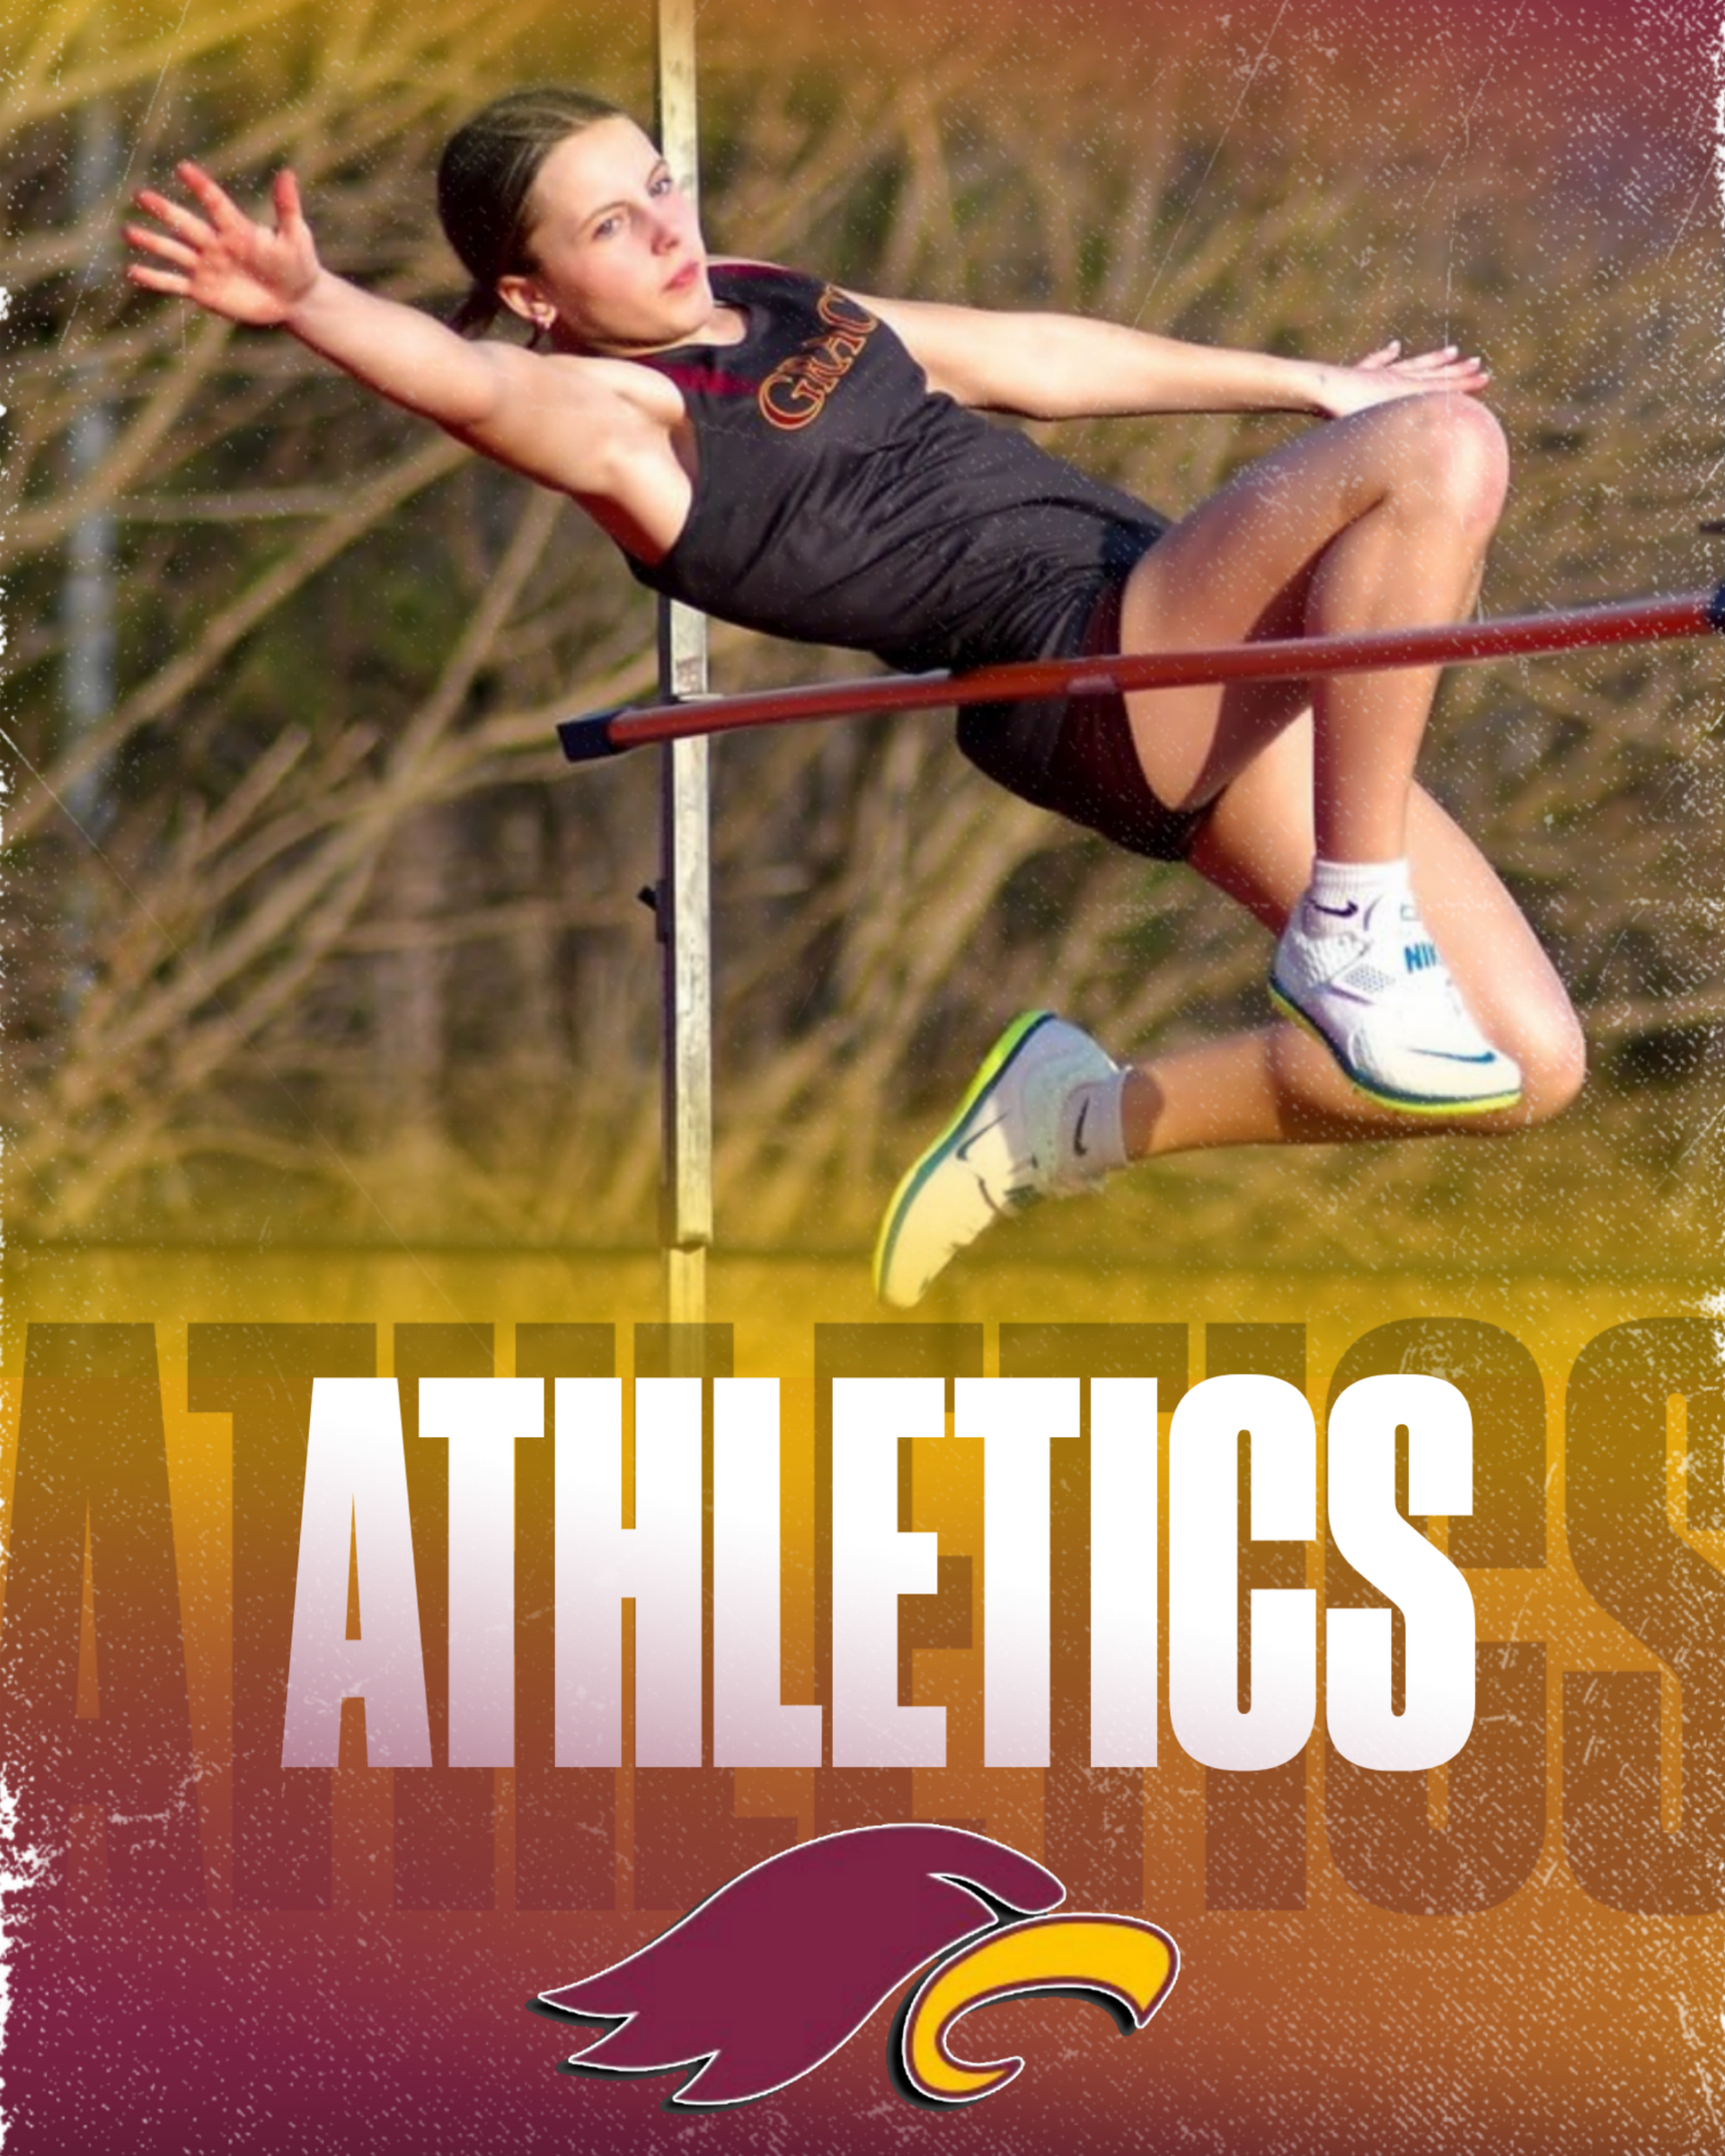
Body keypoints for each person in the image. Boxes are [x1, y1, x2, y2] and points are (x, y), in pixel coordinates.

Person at [126, 85, 1585, 1307]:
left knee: (1527, 1067)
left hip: (1162, 631)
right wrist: (313, 302)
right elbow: (468, 387)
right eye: (612, 229)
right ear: (535, 292)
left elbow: (1022, 355)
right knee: (1441, 452)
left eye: (661, 186)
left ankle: (1073, 1121)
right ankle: (1354, 921)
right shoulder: (623, 424)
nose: (670, 234)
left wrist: (1306, 383)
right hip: (1088, 659)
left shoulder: (761, 296)